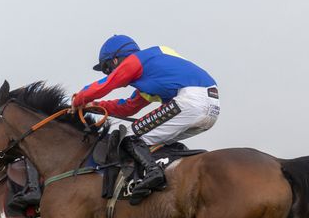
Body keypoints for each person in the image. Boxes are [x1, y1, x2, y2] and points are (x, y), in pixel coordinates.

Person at [71, 35, 220, 199]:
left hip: (191, 101)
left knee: (127, 135)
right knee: (157, 141)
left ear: (115, 60)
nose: (110, 72)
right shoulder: (151, 72)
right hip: (211, 107)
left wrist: (79, 98)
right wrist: (97, 107)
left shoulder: (136, 61)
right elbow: (128, 107)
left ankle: (153, 172)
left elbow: (107, 83)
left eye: (107, 67)